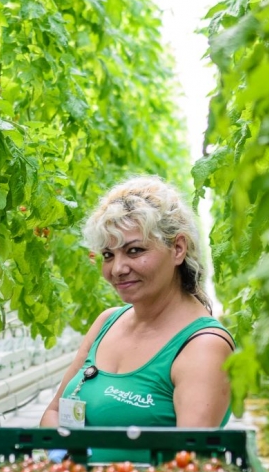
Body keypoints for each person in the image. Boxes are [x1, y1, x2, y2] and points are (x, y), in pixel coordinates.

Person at [41, 176, 234, 430]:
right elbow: (54, 412)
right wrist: (65, 458)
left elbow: (188, 463)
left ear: (178, 248)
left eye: (134, 251)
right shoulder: (107, 322)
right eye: (108, 255)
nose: (117, 269)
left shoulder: (204, 347)